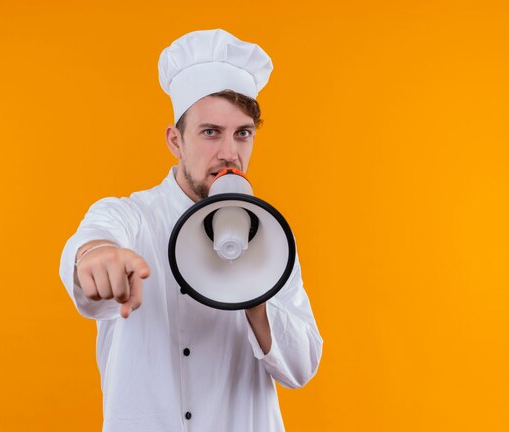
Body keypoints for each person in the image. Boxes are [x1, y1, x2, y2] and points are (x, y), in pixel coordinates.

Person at [59, 29, 323, 432]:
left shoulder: (269, 238)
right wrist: (94, 254)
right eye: (210, 132)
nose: (229, 154)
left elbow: (302, 366)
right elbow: (95, 239)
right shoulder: (133, 216)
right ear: (175, 141)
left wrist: (255, 295)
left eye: (243, 133)